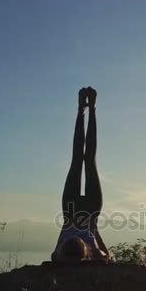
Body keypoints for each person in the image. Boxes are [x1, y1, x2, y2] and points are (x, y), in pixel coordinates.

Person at [52, 87, 109, 262]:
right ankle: (90, 109)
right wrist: (95, 233)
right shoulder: (93, 253)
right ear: (85, 253)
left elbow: (55, 255)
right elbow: (107, 258)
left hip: (72, 210)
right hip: (89, 211)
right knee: (88, 160)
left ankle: (82, 110)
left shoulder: (61, 254)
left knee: (78, 160)